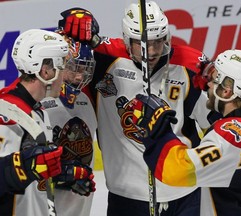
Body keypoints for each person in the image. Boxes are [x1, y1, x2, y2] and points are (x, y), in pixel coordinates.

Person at [58, 2, 220, 215]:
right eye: (141, 43)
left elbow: (218, 123)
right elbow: (62, 48)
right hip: (127, 195)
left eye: (157, 42)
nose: (151, 51)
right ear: (126, 39)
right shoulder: (104, 59)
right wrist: (74, 19)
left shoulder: (188, 67)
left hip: (185, 192)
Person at [131, 49, 241, 216]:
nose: (209, 85)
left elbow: (176, 170)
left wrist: (157, 130)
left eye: (214, 81)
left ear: (226, 91)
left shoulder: (228, 138)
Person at [0, 29, 94, 216]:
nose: (66, 76)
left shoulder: (39, 111)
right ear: (46, 71)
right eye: (62, 67)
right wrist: (25, 165)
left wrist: (65, 174)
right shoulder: (7, 113)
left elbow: (34, 172)